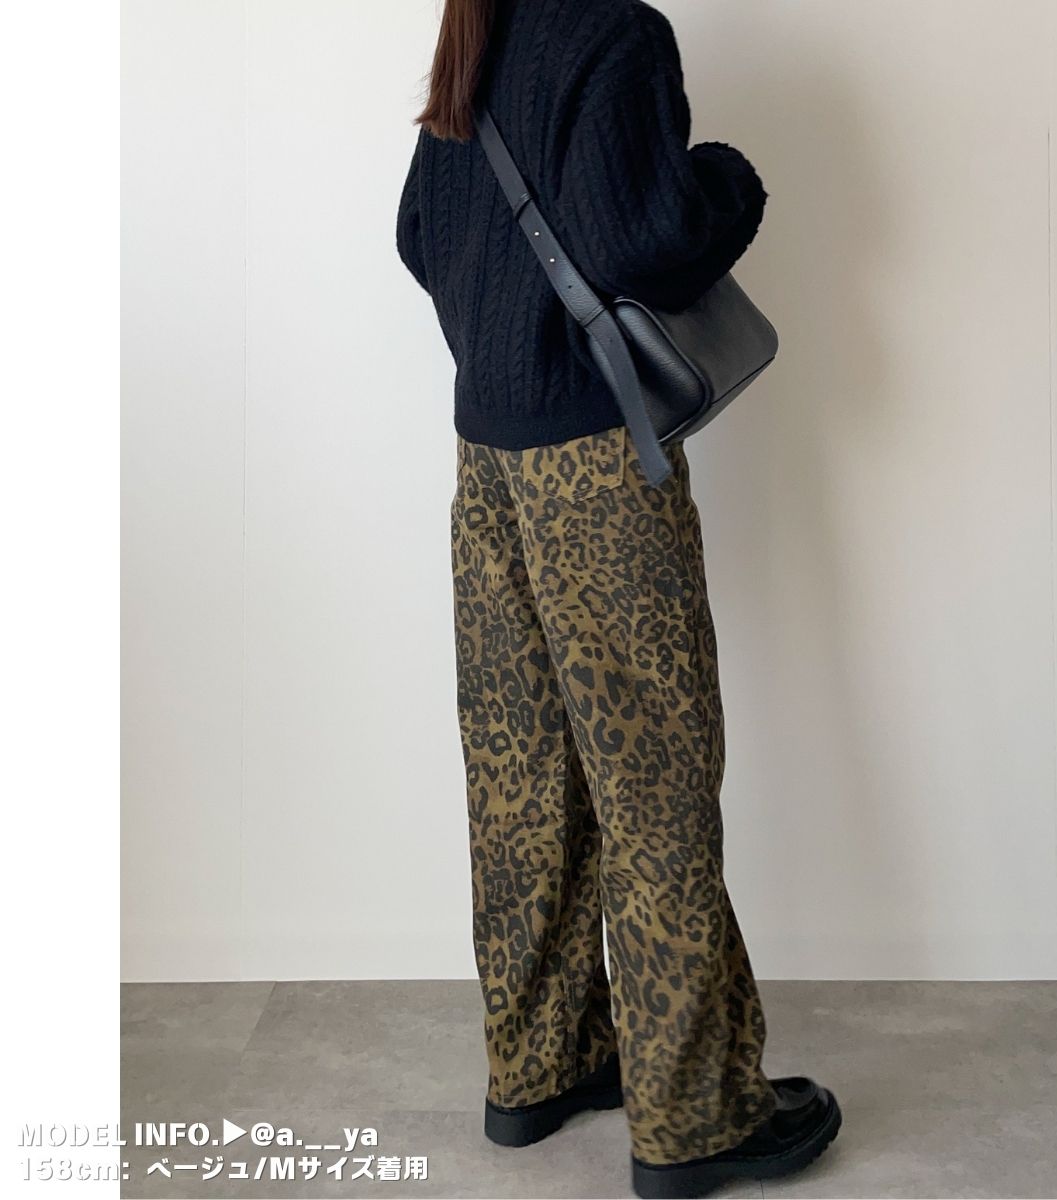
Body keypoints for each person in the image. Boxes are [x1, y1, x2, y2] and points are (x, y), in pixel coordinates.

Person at [396, 1, 841, 1196]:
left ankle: (540, 1066)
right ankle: (696, 1118)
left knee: (522, 775)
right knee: (653, 780)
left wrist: (505, 334)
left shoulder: (477, 27)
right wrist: (729, 181)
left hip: (486, 458)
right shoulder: (616, 35)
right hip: (593, 466)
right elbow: (645, 237)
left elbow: (417, 234)